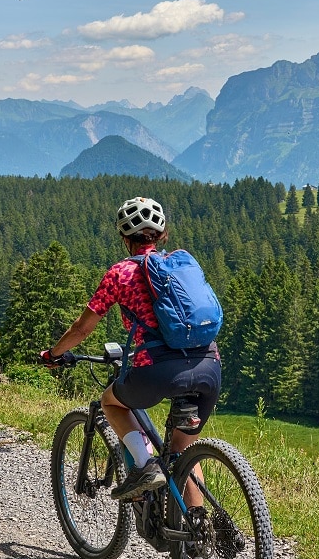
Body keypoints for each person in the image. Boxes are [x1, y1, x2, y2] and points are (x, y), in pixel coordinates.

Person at [41, 197, 222, 501]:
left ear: (125, 238)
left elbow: (82, 328)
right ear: (162, 234)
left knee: (111, 402)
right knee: (184, 451)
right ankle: (200, 532)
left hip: (158, 369)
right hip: (209, 366)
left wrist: (54, 353)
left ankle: (145, 465)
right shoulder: (182, 264)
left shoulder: (120, 273)